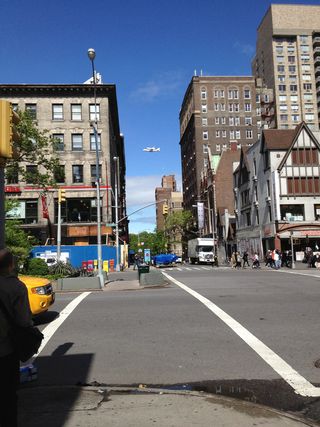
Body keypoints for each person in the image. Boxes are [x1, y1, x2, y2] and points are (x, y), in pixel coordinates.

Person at [0, 248, 33, 427]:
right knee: (8, 395)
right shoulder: (15, 287)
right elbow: (24, 320)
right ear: (11, 265)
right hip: (6, 350)